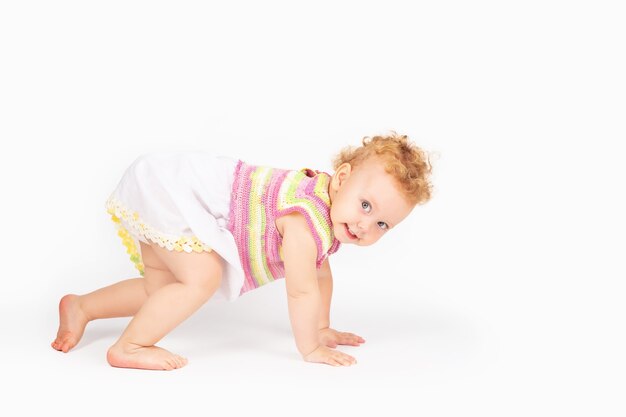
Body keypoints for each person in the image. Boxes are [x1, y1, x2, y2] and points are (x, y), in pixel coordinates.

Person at [51, 132, 433, 370]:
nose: (366, 225)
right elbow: (302, 289)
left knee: (161, 290)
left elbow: (320, 274)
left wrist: (323, 326)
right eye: (366, 206)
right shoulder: (305, 219)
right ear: (343, 179)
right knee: (202, 278)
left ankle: (81, 307)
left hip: (168, 185)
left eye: (383, 224)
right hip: (178, 191)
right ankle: (130, 346)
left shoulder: (326, 213)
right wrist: (311, 346)